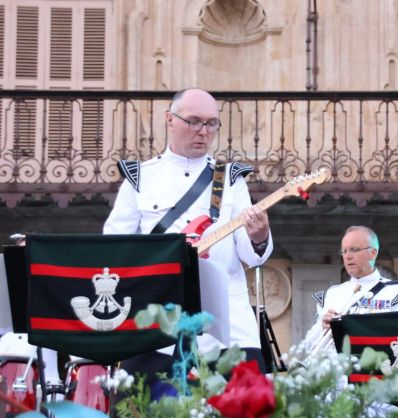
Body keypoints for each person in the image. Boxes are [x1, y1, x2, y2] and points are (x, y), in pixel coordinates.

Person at [104, 88, 273, 372]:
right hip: (155, 319)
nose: (203, 131)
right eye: (194, 121)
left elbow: (252, 255)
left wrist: (259, 237)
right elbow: (113, 248)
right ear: (170, 120)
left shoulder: (231, 179)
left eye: (211, 123)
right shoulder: (139, 178)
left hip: (225, 323)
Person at [302, 226, 398, 354]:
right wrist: (323, 327)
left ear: (373, 253)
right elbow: (308, 346)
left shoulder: (396, 293)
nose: (348, 256)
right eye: (344, 251)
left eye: (354, 250)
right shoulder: (331, 294)